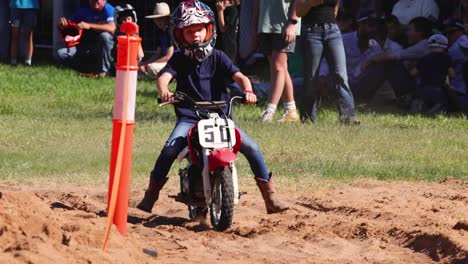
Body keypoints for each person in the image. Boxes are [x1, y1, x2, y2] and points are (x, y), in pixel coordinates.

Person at [137, 0, 289, 215]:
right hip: (189, 119)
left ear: (209, 29)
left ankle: (270, 197)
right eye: (189, 32)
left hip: (221, 118)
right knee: (170, 149)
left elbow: (240, 76)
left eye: (199, 29)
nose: (195, 35)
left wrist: (248, 91)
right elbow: (163, 79)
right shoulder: (179, 59)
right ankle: (151, 194)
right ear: (180, 35)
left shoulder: (218, 56)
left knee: (252, 147)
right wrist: (164, 90)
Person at [296, 0, 359, 124]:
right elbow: (298, 11)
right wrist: (310, 3)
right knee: (311, 78)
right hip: (311, 31)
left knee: (341, 75)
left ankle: (348, 117)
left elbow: (335, 7)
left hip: (333, 31)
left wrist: (330, 24)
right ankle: (308, 118)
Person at [357, 17, 433, 105]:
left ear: (420, 32)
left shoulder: (424, 45)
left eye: (409, 30)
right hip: (418, 87)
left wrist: (369, 61)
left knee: (388, 63)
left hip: (419, 90)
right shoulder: (423, 45)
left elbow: (393, 56)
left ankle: (364, 97)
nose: (406, 33)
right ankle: (365, 96)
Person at [258, 0, 301, 123]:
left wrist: (292, 23)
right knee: (280, 67)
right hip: (266, 23)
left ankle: (269, 111)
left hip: (284, 24)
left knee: (278, 66)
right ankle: (291, 111)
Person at [56, 0, 116, 77]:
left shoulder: (109, 9)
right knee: (61, 53)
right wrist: (62, 24)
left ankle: (104, 72)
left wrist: (89, 25)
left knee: (105, 36)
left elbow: (112, 28)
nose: (95, 2)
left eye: (98, 0)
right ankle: (86, 70)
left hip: (105, 50)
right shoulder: (83, 11)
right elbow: (69, 25)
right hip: (86, 47)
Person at [411, 34, 455, 114]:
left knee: (422, 101)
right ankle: (437, 108)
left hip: (423, 89)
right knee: (442, 103)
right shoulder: (447, 57)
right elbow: (452, 74)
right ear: (445, 46)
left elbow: (413, 73)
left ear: (429, 46)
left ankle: (421, 106)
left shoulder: (424, 58)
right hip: (438, 89)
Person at [139, 2, 175, 79]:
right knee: (142, 65)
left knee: (152, 68)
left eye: (161, 18)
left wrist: (147, 66)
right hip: (165, 62)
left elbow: (169, 56)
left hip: (174, 63)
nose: (158, 21)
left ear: (167, 18)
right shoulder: (161, 31)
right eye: (156, 19)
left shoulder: (170, 31)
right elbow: (158, 54)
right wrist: (145, 63)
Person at [445, 18, 468, 112]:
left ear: (460, 31)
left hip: (460, 94)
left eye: (451, 32)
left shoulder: (455, 48)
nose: (448, 36)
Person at [9, 0, 40, 66]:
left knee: (28, 35)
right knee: (15, 34)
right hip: (15, 6)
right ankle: (13, 61)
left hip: (31, 7)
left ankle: (28, 62)